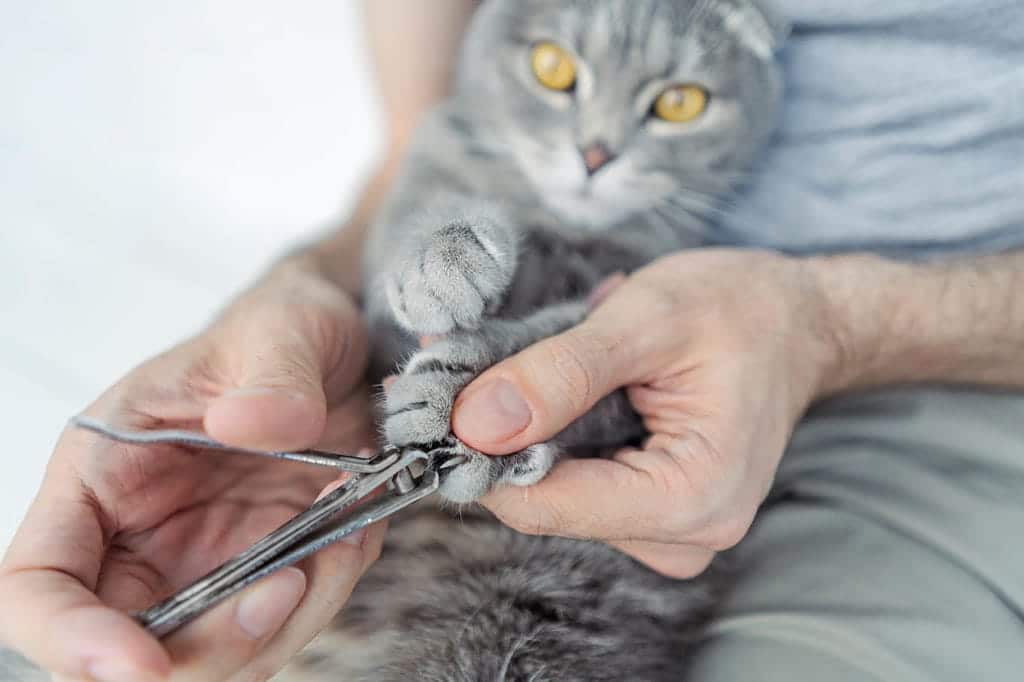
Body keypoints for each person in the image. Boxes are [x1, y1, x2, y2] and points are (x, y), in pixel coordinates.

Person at [2, 0, 1022, 680]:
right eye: (556, 72)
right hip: (379, 396)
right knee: (76, 637)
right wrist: (322, 274)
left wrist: (832, 325)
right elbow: (418, 142)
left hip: (927, 390)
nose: (594, 144)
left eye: (668, 103)